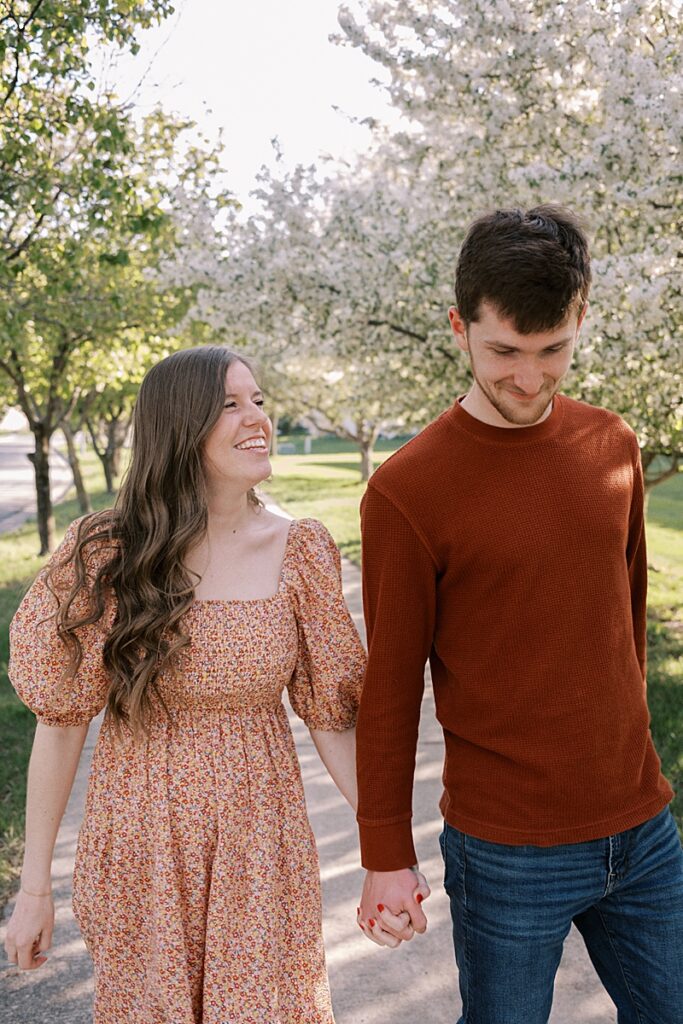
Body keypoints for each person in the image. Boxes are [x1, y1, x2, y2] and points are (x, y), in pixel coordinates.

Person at [355, 206, 683, 1021]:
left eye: (552, 352)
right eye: (503, 351)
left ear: (579, 322)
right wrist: (384, 854)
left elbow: (625, 626)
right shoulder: (407, 491)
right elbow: (390, 692)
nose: (529, 379)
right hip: (506, 850)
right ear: (459, 329)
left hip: (642, 831)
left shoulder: (613, 445)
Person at [5, 345, 370, 1024]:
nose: (256, 417)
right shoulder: (106, 554)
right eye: (229, 405)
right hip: (141, 842)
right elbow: (59, 726)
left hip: (260, 845)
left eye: (258, 400)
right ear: (180, 427)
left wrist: (385, 852)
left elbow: (331, 718)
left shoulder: (301, 551)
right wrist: (34, 891)